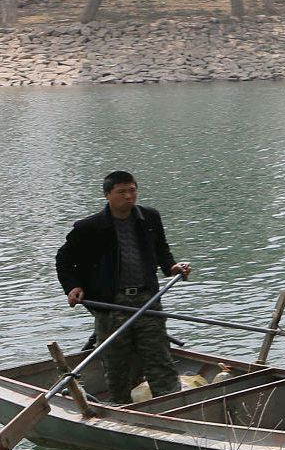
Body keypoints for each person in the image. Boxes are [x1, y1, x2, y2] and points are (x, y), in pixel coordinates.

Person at [55, 171, 192, 404]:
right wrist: (73, 287)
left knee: (159, 356)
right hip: (110, 303)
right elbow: (64, 260)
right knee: (117, 362)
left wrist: (172, 267)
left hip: (147, 299)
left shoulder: (149, 217)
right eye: (121, 192)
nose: (129, 196)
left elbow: (161, 250)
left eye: (132, 190)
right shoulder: (89, 227)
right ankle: (121, 410)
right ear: (107, 195)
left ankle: (171, 406)